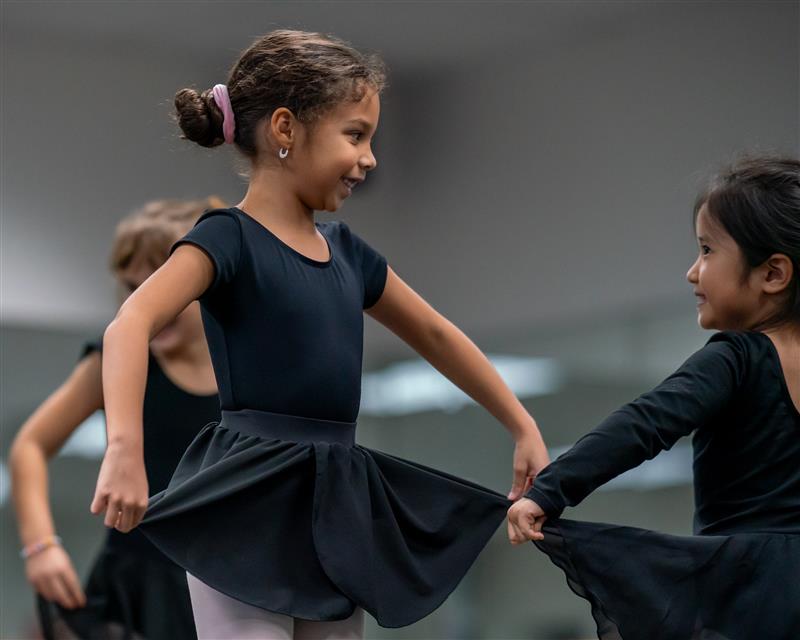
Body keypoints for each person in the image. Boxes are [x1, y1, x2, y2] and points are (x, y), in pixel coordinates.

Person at [90, 29, 549, 640]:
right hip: (245, 496)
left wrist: (520, 421)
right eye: (354, 135)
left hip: (333, 498)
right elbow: (131, 324)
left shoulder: (348, 255)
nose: (370, 158)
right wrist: (124, 449)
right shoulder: (228, 238)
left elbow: (436, 335)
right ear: (285, 130)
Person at [508, 156, 800, 640]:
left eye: (707, 251)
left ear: (772, 274)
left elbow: (647, 422)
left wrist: (549, 490)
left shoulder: (737, 357)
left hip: (748, 591)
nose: (692, 272)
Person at [11, 198, 223, 640]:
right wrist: (40, 548)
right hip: (134, 588)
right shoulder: (116, 362)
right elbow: (30, 445)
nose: (144, 302)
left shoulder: (245, 369)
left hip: (222, 583)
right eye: (131, 288)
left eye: (159, 288)